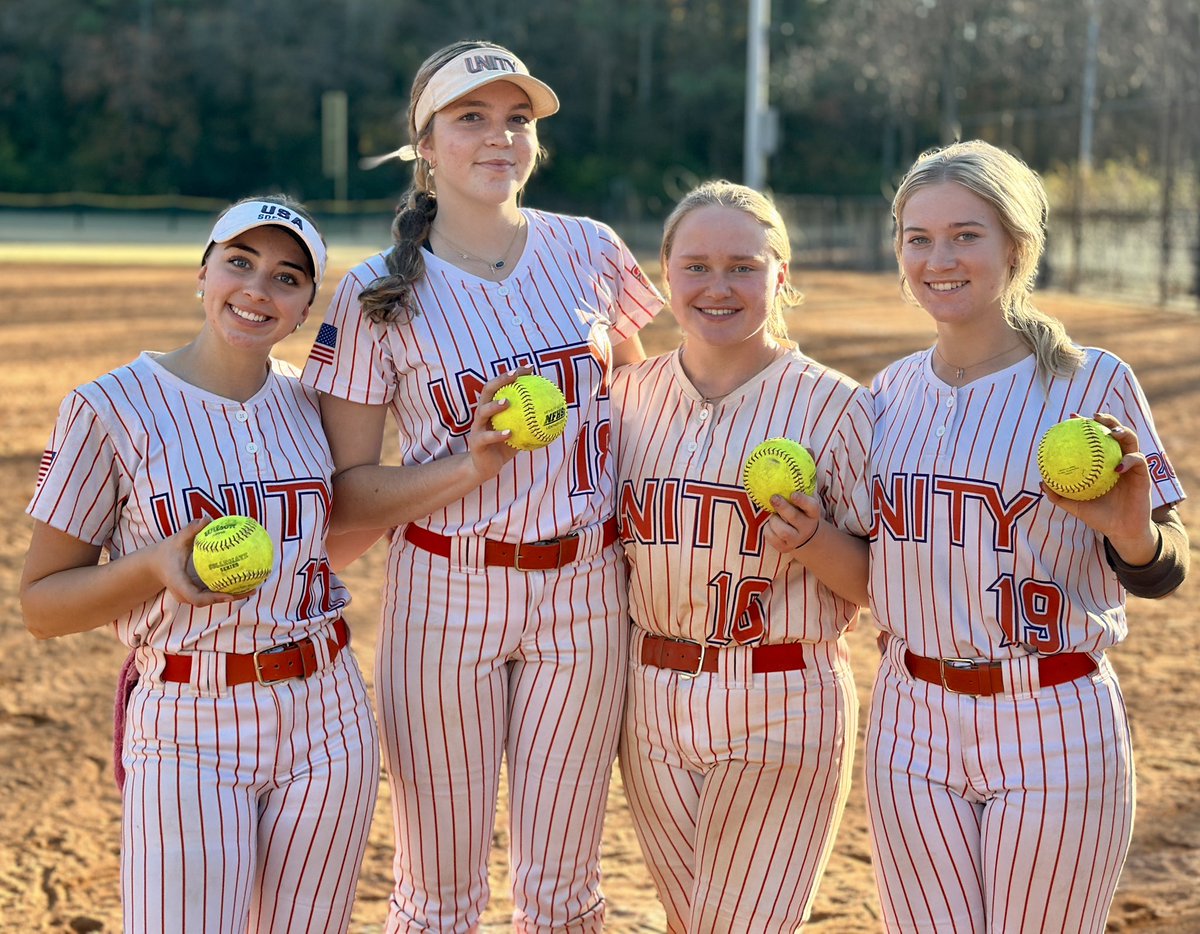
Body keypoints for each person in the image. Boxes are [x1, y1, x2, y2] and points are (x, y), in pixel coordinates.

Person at [300, 40, 663, 932]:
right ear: (425, 144)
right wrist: (468, 466)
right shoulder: (378, 291)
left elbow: (645, 417)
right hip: (445, 589)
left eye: (517, 119)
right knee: (439, 890)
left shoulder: (591, 249)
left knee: (564, 888)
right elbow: (346, 493)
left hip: (584, 590)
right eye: (472, 118)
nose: (500, 137)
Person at [19, 196, 381, 933]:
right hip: (189, 717)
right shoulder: (109, 407)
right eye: (239, 263)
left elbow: (336, 530)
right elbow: (42, 606)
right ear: (203, 271)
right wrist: (152, 565)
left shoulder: (309, 405)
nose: (257, 289)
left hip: (330, 714)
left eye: (287, 277)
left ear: (308, 303)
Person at [866, 139, 1189, 933]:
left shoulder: (1091, 381)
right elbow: (859, 558)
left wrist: (1131, 536)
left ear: (1016, 246)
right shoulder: (884, 396)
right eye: (919, 238)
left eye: (965, 235)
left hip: (1053, 714)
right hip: (908, 716)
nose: (939, 258)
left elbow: (1165, 568)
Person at [610, 180, 874, 930]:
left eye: (743, 266)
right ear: (666, 278)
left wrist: (812, 539)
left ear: (781, 276)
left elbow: (880, 585)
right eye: (695, 266)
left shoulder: (839, 407)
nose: (717, 286)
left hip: (782, 695)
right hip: (651, 697)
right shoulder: (628, 400)